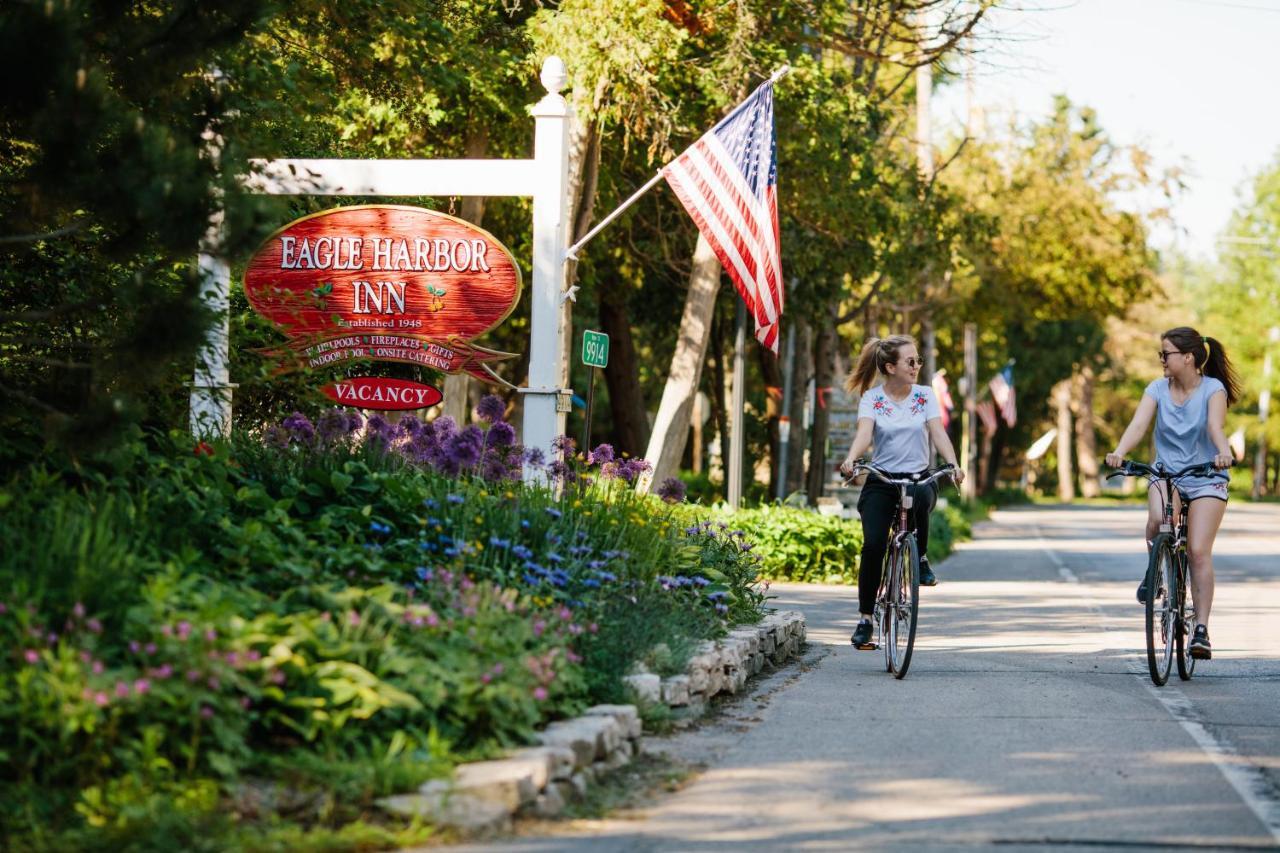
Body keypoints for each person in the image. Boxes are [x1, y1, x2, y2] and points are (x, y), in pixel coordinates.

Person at [1105, 326, 1240, 660]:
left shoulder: (1213, 389)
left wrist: (1223, 452)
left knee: (1197, 550)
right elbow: (1138, 425)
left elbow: (1214, 427)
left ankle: (1202, 630)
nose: (1161, 360)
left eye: (1166, 354)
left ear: (1188, 357)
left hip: (1206, 475)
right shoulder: (1156, 389)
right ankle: (1156, 570)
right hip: (1166, 473)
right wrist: (1119, 452)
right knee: (1156, 520)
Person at [838, 335, 964, 650]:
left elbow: (938, 432)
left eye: (918, 360)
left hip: (918, 477)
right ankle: (866, 619)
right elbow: (864, 434)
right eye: (910, 361)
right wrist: (852, 460)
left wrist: (953, 464)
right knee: (874, 545)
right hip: (883, 481)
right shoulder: (872, 399)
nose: (916, 366)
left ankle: (919, 557)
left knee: (920, 494)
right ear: (890, 367)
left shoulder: (924, 395)